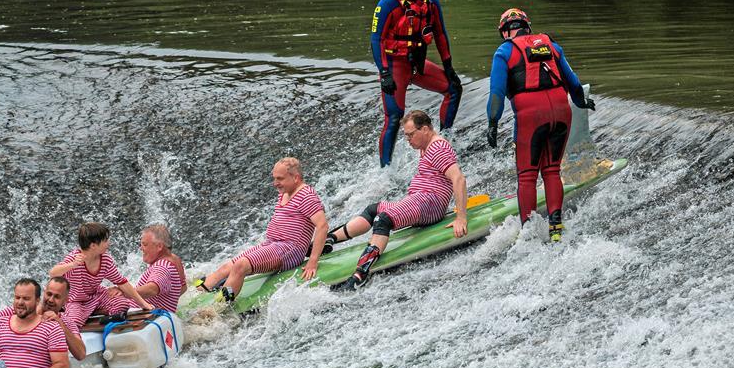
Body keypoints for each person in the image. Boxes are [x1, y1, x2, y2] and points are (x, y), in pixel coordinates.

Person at [485, 7, 594, 242]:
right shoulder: (551, 46)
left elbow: (496, 93)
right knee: (552, 170)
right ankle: (556, 228)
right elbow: (573, 82)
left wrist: (493, 123)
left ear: (505, 32)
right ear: (528, 27)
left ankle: (529, 235)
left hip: (530, 117)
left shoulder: (504, 52)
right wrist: (582, 102)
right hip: (562, 112)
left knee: (527, 177)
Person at [327, 110, 467, 292]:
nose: (408, 140)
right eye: (406, 135)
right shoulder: (426, 145)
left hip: (429, 204)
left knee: (383, 219)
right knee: (372, 210)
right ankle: (329, 239)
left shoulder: (437, 147)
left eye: (410, 135)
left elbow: (459, 179)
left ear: (425, 129)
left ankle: (359, 276)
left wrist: (461, 218)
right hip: (421, 201)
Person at [194, 158, 328, 302]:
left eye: (280, 179)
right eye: (274, 178)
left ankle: (219, 306)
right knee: (225, 268)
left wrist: (312, 262)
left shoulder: (306, 196)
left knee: (240, 266)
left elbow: (322, 226)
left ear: (295, 178)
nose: (275, 183)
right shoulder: (285, 192)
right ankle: (195, 292)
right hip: (272, 244)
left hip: (288, 250)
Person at [372, 0, 463, 168]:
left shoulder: (430, 0)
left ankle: (444, 142)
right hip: (395, 65)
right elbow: (376, 39)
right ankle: (385, 170)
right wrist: (385, 72)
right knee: (394, 115)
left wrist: (448, 65)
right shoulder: (387, 3)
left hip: (417, 63)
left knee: (454, 89)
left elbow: (440, 33)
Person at [49, 222, 151, 332]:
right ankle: (77, 313)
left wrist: (143, 304)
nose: (109, 243)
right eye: (105, 240)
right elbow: (53, 273)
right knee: (73, 323)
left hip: (96, 296)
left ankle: (96, 313)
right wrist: (72, 265)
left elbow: (122, 282)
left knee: (123, 304)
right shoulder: (74, 258)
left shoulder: (105, 260)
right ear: (93, 245)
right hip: (76, 301)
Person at [0, 276, 87, 360]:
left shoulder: (66, 322)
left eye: (57, 297)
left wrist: (60, 324)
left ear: (66, 300)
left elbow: (81, 354)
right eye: (49, 294)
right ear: (42, 294)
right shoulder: (20, 311)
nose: (51, 300)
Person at [0, 278, 70, 368]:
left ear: (37, 300)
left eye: (26, 298)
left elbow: (62, 366)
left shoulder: (52, 327)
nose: (20, 302)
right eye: (17, 297)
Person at [102, 224, 187, 313]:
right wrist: (167, 302)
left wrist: (122, 292)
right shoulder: (175, 259)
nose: (141, 248)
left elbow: (152, 289)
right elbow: (183, 287)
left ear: (159, 246)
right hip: (151, 313)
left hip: (142, 315)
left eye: (145, 244)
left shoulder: (162, 267)